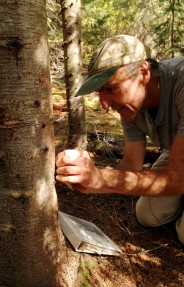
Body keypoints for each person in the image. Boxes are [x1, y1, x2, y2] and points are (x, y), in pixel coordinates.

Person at [56, 35, 184, 244]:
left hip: (179, 171)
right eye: (99, 92)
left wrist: (100, 179)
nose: (104, 104)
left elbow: (178, 180)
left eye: (110, 89)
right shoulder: (131, 106)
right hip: (177, 153)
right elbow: (131, 166)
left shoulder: (180, 83)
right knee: (147, 215)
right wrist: (82, 173)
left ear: (143, 72)